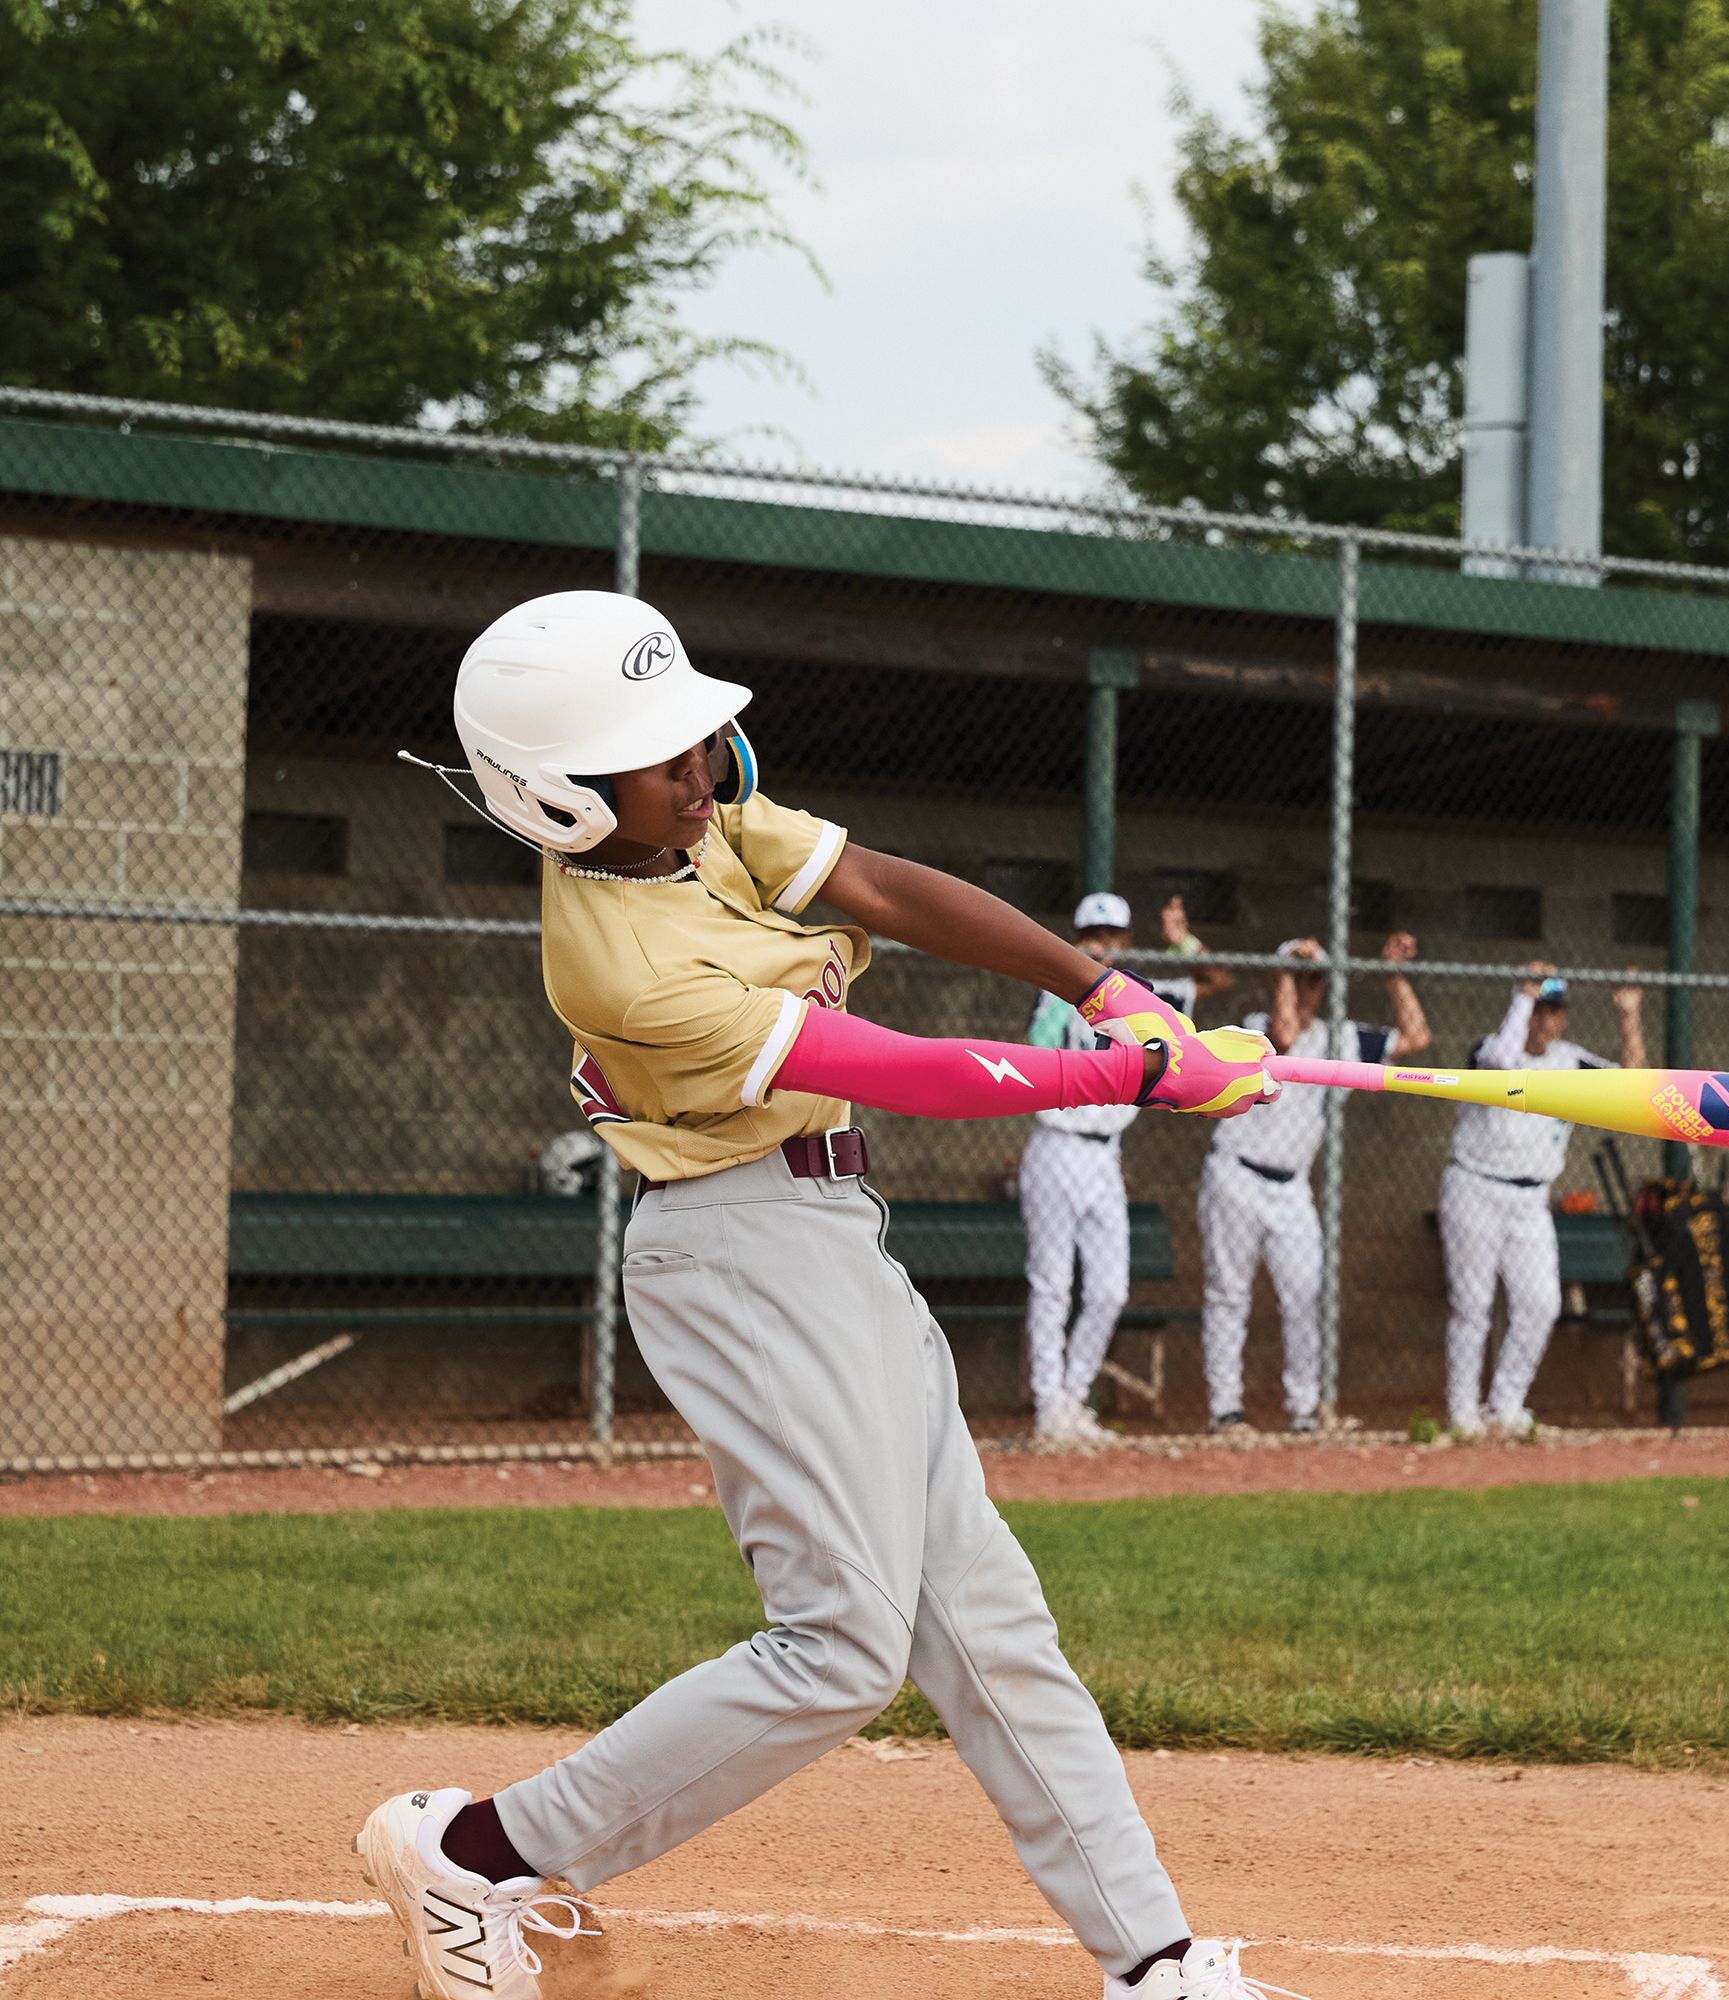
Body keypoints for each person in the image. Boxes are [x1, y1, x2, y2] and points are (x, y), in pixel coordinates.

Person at [363, 590, 1302, 2000]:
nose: (705, 763)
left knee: (986, 1619)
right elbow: (889, 1063)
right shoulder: (621, 961)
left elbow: (885, 891)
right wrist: (1125, 1080)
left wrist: (1108, 994)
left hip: (827, 1234)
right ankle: (486, 1855)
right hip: (735, 1253)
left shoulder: (697, 824)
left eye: (694, 738)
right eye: (661, 753)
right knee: (843, 1642)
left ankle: (1151, 1963)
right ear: (558, 797)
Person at [1199, 933, 1429, 1434]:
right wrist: (1285, 967)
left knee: (1306, 1294)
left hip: (1292, 1187)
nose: (1308, 991)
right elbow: (1284, 1034)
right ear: (1277, 981)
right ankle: (1225, 1410)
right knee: (1228, 1295)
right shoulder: (1253, 1030)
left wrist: (1393, 976)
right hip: (1236, 1173)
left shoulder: (1340, 1038)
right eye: (1299, 980)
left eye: (1316, 982)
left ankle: (1305, 1410)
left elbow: (1416, 1037)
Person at [1019, 892, 1210, 1442]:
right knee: (1052, 1283)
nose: (1101, 946)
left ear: (1127, 940)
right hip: (1057, 1143)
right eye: (1091, 936)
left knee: (1109, 1289)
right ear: (1076, 937)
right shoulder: (1055, 990)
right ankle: (1047, 1408)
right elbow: (1036, 1045)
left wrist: (1185, 940)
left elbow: (1214, 979)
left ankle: (1073, 1400)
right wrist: (1074, 980)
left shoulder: (1143, 994)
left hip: (1105, 1155)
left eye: (1111, 937)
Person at [1438, 960, 1645, 1438]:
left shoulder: (1570, 1062)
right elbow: (1503, 1062)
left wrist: (1628, 1014)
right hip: (1475, 1185)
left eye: (1553, 1010)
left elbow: (1634, 1085)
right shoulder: (1490, 1048)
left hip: (1531, 1198)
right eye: (1537, 1008)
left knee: (1541, 1302)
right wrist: (1523, 994)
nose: (1543, 1020)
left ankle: (1505, 1408)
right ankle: (1462, 1414)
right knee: (1472, 1304)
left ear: (1564, 1017)